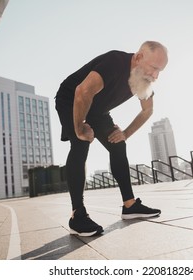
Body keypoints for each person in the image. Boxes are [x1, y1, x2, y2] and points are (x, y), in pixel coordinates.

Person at [55, 41, 168, 236]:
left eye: (161, 71)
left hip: (98, 110)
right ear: (139, 57)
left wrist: (125, 133)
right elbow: (83, 92)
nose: (156, 75)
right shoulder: (115, 62)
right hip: (72, 98)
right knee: (81, 142)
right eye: (154, 68)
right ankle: (77, 216)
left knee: (118, 144)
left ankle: (130, 205)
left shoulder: (144, 79)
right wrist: (79, 128)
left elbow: (147, 110)